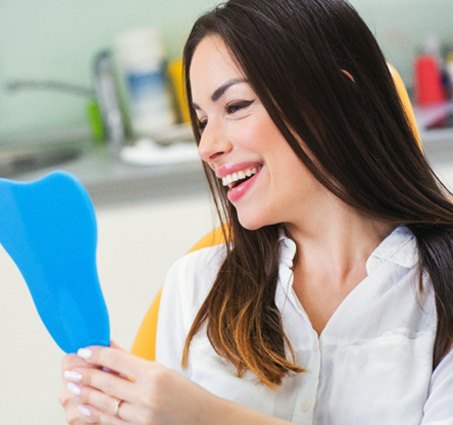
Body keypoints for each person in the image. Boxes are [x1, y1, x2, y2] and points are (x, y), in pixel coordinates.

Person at [59, 0, 453, 424]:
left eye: (234, 106)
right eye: (201, 120)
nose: (207, 147)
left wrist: (207, 417)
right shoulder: (196, 285)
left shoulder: (442, 285)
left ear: (339, 97)